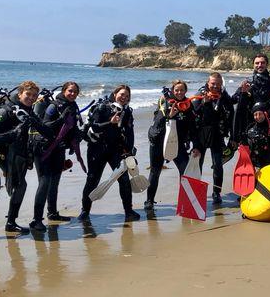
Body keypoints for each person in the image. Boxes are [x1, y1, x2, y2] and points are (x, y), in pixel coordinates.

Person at [0, 81, 52, 242]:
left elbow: (49, 133)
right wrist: (13, 133)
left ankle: (11, 222)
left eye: (34, 96)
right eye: (27, 94)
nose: (30, 98)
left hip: (5, 154)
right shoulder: (5, 110)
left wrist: (37, 123)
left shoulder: (28, 111)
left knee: (21, 185)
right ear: (20, 93)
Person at [78, 85, 140, 221]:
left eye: (127, 96)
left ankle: (128, 211)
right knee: (92, 180)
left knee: (124, 180)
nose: (124, 97)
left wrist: (129, 153)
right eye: (121, 94)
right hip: (97, 149)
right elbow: (94, 127)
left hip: (115, 150)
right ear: (115, 93)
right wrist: (110, 122)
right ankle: (85, 211)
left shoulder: (127, 112)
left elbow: (129, 133)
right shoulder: (102, 107)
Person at [30, 81, 82, 231]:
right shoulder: (54, 106)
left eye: (75, 92)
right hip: (43, 149)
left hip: (59, 149)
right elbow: (44, 126)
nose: (72, 94)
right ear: (64, 91)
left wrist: (74, 142)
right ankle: (36, 220)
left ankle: (52, 213)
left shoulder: (72, 106)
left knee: (55, 182)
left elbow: (71, 128)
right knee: (44, 183)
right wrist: (60, 119)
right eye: (70, 91)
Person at [145, 80, 198, 211]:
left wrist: (195, 145)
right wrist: (168, 116)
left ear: (185, 91)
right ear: (173, 90)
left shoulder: (188, 105)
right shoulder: (165, 101)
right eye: (176, 90)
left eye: (182, 90)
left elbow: (193, 128)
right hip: (159, 143)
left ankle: (185, 201)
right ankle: (149, 201)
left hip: (177, 144)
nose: (179, 92)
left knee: (185, 171)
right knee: (155, 172)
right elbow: (156, 123)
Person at [191, 72, 234, 204]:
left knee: (218, 165)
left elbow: (231, 114)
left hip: (217, 135)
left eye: (218, 84)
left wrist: (233, 136)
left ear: (221, 84)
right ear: (208, 83)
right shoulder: (200, 94)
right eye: (213, 83)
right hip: (201, 135)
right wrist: (204, 103)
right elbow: (192, 114)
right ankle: (196, 192)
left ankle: (216, 193)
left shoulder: (224, 96)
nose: (215, 86)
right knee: (198, 165)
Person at [233, 53, 270, 144]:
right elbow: (233, 100)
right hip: (251, 125)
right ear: (253, 64)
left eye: (262, 63)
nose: (259, 65)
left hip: (269, 124)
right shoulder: (248, 82)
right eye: (257, 63)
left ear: (267, 64)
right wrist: (242, 92)